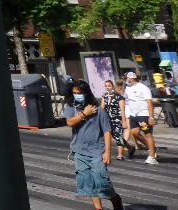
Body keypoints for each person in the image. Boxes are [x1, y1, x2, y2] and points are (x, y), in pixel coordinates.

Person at [63, 79, 124, 210]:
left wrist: (107, 152)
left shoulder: (98, 110)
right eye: (74, 93)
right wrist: (84, 113)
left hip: (97, 151)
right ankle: (98, 208)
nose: (77, 95)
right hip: (79, 151)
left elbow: (107, 130)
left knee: (101, 181)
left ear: (86, 93)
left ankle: (114, 198)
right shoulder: (71, 107)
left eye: (79, 93)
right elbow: (69, 122)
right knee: (88, 183)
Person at [122, 71, 158, 164]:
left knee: (147, 134)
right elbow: (124, 99)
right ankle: (152, 148)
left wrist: (151, 117)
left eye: (126, 78)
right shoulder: (127, 88)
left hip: (143, 114)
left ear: (131, 78)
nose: (125, 80)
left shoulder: (143, 88)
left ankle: (152, 157)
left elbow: (150, 103)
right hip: (133, 115)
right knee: (134, 133)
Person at [100, 79, 129, 161]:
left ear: (112, 86)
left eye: (109, 86)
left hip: (117, 119)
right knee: (114, 135)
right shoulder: (104, 96)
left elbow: (122, 110)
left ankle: (120, 155)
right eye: (106, 86)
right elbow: (102, 108)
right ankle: (130, 147)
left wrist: (124, 122)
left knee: (118, 135)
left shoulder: (119, 97)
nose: (107, 87)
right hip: (108, 119)